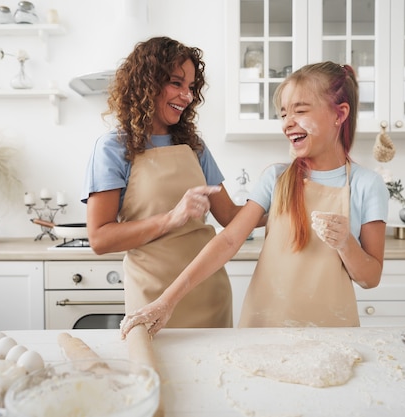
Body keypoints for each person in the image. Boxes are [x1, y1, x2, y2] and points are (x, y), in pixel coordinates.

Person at [121, 61, 389, 337]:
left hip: (333, 334)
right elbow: (228, 240)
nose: (288, 123)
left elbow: (370, 278)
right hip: (265, 329)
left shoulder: (367, 185)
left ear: (339, 113)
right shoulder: (276, 178)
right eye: (284, 114)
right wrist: (166, 302)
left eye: (300, 111)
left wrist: (346, 243)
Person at [82, 36, 249, 329]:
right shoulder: (114, 147)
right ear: (147, 83)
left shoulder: (193, 146)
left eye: (191, 87)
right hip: (151, 296)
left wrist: (287, 201)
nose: (186, 95)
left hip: (209, 294)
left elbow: (231, 216)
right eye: (176, 83)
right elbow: (100, 238)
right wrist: (172, 218)